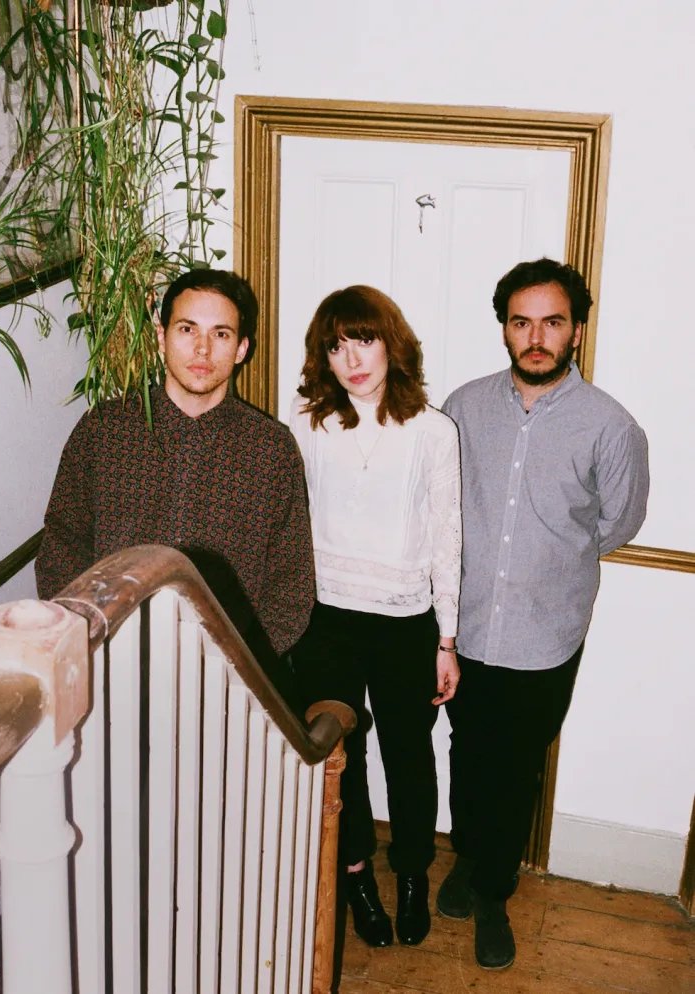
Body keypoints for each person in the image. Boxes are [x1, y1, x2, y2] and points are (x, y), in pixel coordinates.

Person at [438, 258, 649, 970]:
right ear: (504, 328)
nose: (536, 337)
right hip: (465, 625)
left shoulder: (611, 427)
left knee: (516, 765)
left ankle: (495, 890)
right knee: (466, 749)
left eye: (552, 322)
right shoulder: (462, 407)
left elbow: (618, 522)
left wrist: (550, 559)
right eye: (521, 322)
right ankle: (468, 857)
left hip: (546, 632)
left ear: (576, 331)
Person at [289, 285, 461, 949]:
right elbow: (289, 521)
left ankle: (412, 874)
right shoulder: (307, 422)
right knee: (343, 757)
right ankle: (356, 875)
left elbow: (447, 537)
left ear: (391, 343)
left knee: (409, 756)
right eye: (336, 347)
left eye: (363, 341)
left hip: (405, 621)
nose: (352, 360)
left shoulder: (434, 431)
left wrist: (447, 639)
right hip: (327, 620)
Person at [36, 268, 315, 675]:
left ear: (241, 348)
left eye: (221, 334)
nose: (203, 349)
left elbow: (292, 584)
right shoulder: (104, 431)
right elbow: (62, 547)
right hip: (112, 663)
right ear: (160, 337)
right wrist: (90, 639)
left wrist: (238, 663)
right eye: (187, 329)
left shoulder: (271, 450)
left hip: (229, 679)